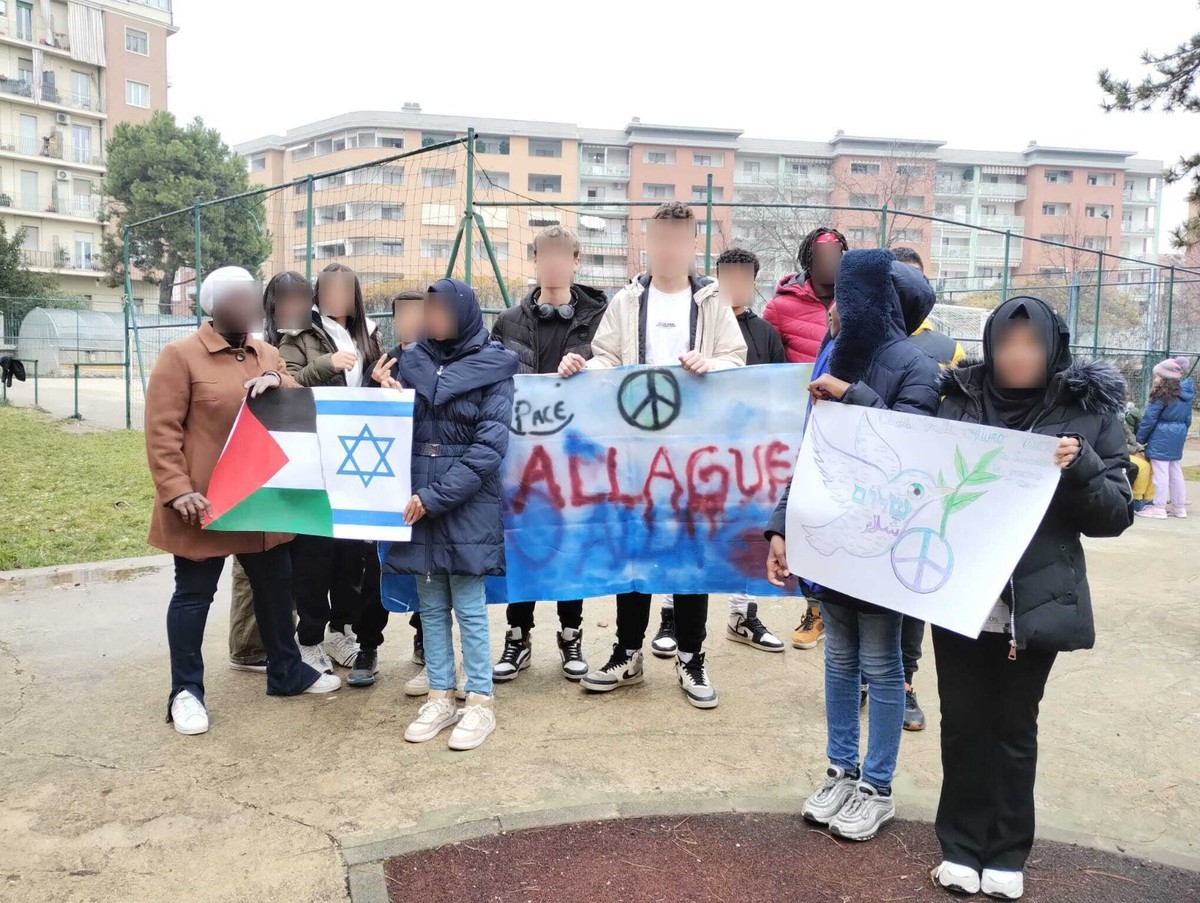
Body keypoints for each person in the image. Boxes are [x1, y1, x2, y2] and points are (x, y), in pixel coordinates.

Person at [930, 296, 1133, 899]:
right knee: (963, 725)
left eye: (1031, 344)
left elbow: (1115, 515)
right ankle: (960, 847)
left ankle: (1007, 852)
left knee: (1014, 728)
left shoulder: (1087, 412)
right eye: (1006, 343)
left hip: (1035, 601)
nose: (1017, 355)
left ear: (1053, 347)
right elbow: (909, 463)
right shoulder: (955, 399)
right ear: (990, 345)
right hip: (959, 594)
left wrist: (1082, 466)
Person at [766, 249, 940, 841]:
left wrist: (850, 395)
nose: (836, 306)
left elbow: (909, 453)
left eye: (849, 294)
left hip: (885, 544)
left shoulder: (917, 367)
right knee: (839, 659)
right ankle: (841, 770)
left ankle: (878, 786)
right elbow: (811, 453)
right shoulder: (836, 355)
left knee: (884, 667)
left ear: (879, 300)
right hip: (830, 537)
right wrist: (780, 525)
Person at [560, 200, 747, 709]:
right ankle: (627, 652)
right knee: (634, 553)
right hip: (636, 456)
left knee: (690, 557)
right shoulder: (625, 302)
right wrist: (584, 366)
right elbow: (608, 358)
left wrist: (711, 363)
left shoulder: (711, 301)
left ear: (691, 245)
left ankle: (692, 657)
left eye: (677, 240)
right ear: (649, 243)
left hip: (693, 458)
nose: (667, 249)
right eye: (658, 240)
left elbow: (737, 359)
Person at [144, 267, 340, 737]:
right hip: (204, 505)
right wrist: (177, 490)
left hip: (260, 502)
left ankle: (286, 672)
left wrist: (276, 380)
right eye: (236, 299)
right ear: (212, 305)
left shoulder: (266, 352)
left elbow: (296, 396)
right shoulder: (180, 357)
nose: (248, 306)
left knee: (277, 590)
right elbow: (161, 431)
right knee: (193, 596)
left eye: (252, 298)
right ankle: (185, 692)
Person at [383, 278, 517, 750]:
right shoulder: (411, 360)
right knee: (431, 604)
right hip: (417, 496)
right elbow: (399, 430)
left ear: (462, 313)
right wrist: (388, 395)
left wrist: (435, 496)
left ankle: (479, 701)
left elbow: (488, 450)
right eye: (428, 311)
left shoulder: (495, 365)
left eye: (440, 311)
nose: (431, 319)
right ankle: (440, 694)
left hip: (464, 502)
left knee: (470, 605)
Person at [488, 225, 608, 682]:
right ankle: (517, 636)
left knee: (569, 541)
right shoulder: (508, 321)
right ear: (534, 261)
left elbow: (617, 368)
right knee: (524, 540)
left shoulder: (602, 318)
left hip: (580, 455)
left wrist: (591, 365)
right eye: (545, 255)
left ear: (576, 261)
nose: (554, 263)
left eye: (563, 255)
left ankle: (571, 634)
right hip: (523, 457)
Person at [653, 247, 785, 658]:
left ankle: (742, 614)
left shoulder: (766, 334)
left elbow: (777, 390)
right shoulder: (698, 323)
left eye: (744, 278)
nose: (735, 285)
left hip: (746, 456)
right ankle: (670, 616)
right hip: (692, 452)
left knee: (744, 531)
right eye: (728, 276)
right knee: (683, 534)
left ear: (754, 282)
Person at [277, 263, 383, 679]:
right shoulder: (300, 333)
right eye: (330, 287)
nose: (338, 294)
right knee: (314, 550)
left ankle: (340, 629)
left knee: (351, 552)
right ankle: (310, 637)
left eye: (346, 287)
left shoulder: (370, 333)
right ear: (318, 293)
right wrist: (327, 362)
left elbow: (374, 386)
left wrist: (381, 381)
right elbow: (288, 384)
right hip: (316, 455)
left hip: (360, 462)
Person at [885, 245, 964, 731]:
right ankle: (870, 678)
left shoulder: (945, 349)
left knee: (914, 591)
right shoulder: (857, 344)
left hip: (925, 492)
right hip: (875, 495)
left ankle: (905, 682)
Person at [227, 271, 313, 674]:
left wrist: (278, 376)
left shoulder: (301, 336)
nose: (294, 305)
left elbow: (291, 382)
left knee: (280, 558)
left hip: (291, 455)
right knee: (252, 560)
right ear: (270, 302)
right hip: (252, 458)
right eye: (286, 298)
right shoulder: (252, 338)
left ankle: (276, 643)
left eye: (302, 298)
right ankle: (247, 647)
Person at [359, 290, 432, 691]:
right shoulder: (381, 364)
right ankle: (368, 645)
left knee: (427, 564)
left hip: (424, 481)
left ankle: (426, 642)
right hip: (384, 484)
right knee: (376, 568)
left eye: (417, 313)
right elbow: (361, 421)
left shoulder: (442, 360)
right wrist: (376, 389)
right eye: (402, 313)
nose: (410, 320)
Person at [763, 227, 847, 364]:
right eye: (825, 255)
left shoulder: (856, 302)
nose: (832, 262)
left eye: (836, 255)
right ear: (809, 261)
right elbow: (767, 361)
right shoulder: (779, 307)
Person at [1135, 357, 1193, 519]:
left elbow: (1149, 419)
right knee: (1175, 471)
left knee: (1160, 472)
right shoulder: (1185, 396)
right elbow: (1188, 420)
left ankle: (1158, 507)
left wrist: (1140, 438)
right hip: (1178, 435)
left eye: (1157, 375)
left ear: (1164, 378)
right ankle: (1179, 507)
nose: (1155, 378)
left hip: (1161, 435)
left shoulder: (1161, 395)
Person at [892, 247, 966, 368]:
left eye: (913, 281)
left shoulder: (951, 351)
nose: (906, 290)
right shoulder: (861, 343)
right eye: (898, 281)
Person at [1123, 401, 1154, 512]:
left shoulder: (1120, 416)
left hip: (1127, 449)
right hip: (1114, 452)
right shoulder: (1108, 416)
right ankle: (1137, 500)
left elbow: (1130, 435)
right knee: (1143, 466)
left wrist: (1139, 449)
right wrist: (1134, 451)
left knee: (1150, 462)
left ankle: (1149, 498)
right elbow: (1113, 442)